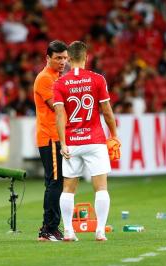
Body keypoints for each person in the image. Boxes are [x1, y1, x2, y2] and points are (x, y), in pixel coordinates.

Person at [53, 41, 119, 241]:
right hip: (95, 141)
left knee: (68, 189)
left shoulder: (60, 83)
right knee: (101, 187)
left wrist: (63, 143)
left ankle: (68, 231)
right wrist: (114, 135)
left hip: (72, 142)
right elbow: (106, 111)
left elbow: (59, 115)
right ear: (86, 57)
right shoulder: (97, 79)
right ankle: (100, 230)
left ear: (69, 59)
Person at [33, 40, 68, 241]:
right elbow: (58, 107)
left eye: (64, 58)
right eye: (58, 58)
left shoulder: (57, 76)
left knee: (56, 182)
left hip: (56, 136)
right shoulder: (45, 79)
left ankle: (51, 227)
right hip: (50, 137)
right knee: (55, 182)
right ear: (48, 58)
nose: (62, 62)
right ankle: (48, 229)